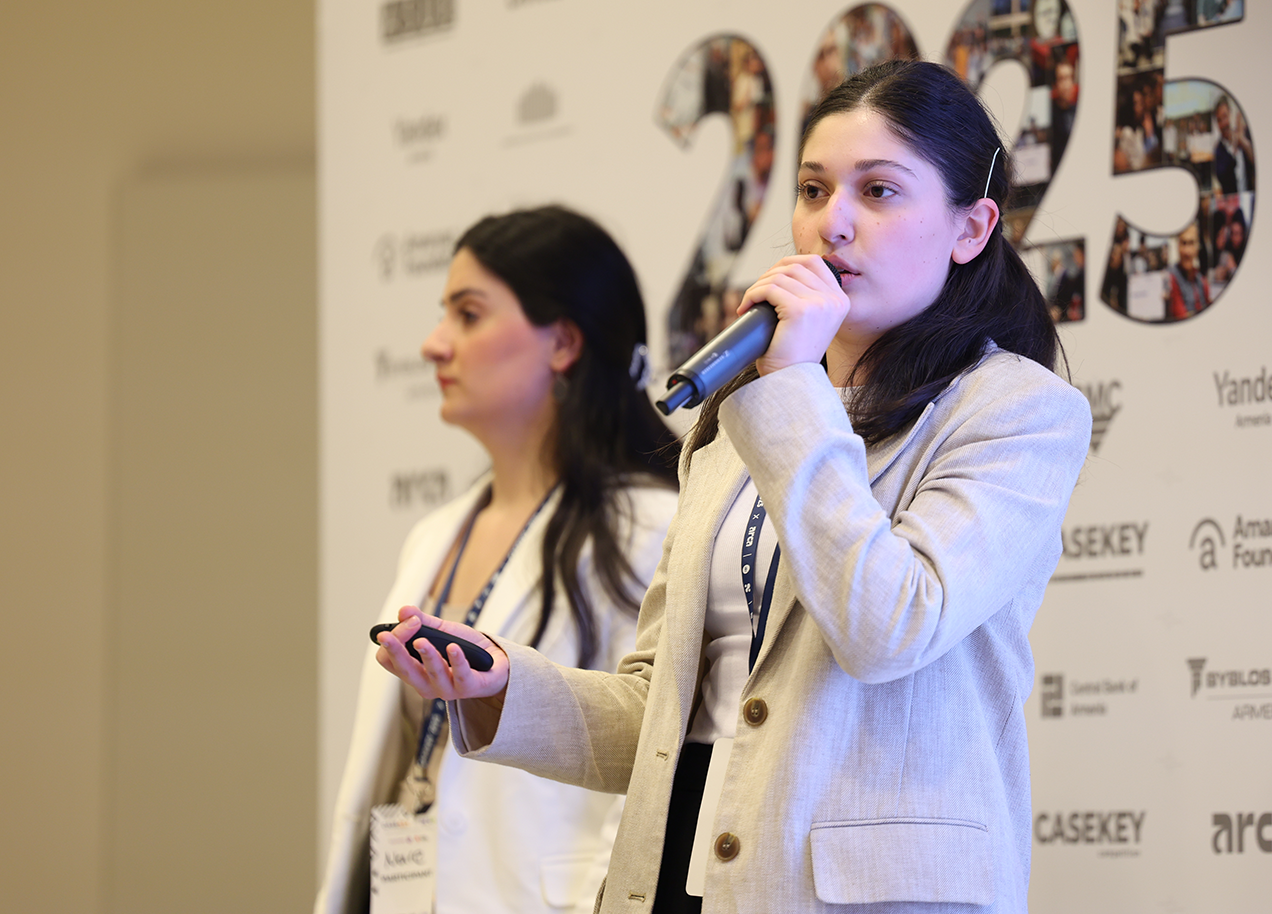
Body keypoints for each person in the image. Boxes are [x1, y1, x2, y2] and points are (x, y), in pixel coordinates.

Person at [376, 60, 1093, 914]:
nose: (832, 224)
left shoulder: (1016, 412)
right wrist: (500, 689)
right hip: (677, 876)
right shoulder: (746, 417)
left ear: (971, 228)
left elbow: (889, 625)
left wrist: (789, 385)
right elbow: (659, 711)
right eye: (814, 190)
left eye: (879, 192)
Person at [316, 207, 681, 914]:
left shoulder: (653, 528)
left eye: (468, 314)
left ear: (562, 343)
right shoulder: (436, 534)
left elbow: (653, 766)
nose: (433, 345)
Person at [1165, 222, 1212, 320]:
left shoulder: (1201, 280)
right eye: (1183, 243)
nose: (1187, 251)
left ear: (1197, 246)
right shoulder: (1171, 278)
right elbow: (1182, 318)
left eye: (1191, 243)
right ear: (1177, 246)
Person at [1213, 96, 1256, 194]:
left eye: (1225, 116)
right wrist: (1233, 149)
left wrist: (1243, 142)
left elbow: (1257, 163)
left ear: (1231, 114)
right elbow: (1222, 176)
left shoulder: (1245, 136)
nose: (1223, 123)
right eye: (1219, 120)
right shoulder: (1218, 151)